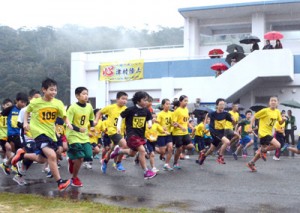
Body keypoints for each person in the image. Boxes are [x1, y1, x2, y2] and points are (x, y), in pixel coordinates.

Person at [11, 78, 73, 191]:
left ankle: (21, 155)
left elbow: (63, 116)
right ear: (44, 90)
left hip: (51, 133)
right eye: (51, 90)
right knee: (52, 156)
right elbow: (27, 111)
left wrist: (68, 124)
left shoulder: (58, 103)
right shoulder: (35, 102)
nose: (53, 92)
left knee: (42, 159)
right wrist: (25, 123)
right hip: (38, 132)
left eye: (55, 90)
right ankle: (60, 182)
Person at [110, 91, 156, 179]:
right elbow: (121, 116)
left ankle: (118, 151)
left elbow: (149, 118)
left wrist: (149, 124)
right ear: (138, 101)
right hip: (132, 135)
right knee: (142, 151)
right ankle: (146, 171)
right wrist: (118, 127)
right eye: (144, 100)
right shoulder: (131, 109)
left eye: (147, 100)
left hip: (141, 135)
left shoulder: (146, 110)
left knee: (132, 153)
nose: (146, 102)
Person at [246, 96, 286, 172]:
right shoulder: (265, 110)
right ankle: (262, 150)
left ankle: (251, 163)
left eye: (275, 101)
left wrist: (283, 120)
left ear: (277, 103)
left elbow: (280, 122)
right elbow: (254, 116)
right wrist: (250, 127)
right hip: (263, 133)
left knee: (261, 153)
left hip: (269, 133)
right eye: (272, 101)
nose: (273, 102)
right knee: (278, 145)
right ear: (269, 102)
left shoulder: (277, 112)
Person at [66, 87, 94, 187]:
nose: (86, 96)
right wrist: (78, 129)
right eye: (83, 94)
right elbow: (68, 122)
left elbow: (91, 118)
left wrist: (92, 127)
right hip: (73, 135)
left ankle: (72, 160)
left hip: (84, 136)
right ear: (77, 96)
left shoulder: (89, 106)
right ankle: (74, 178)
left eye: (87, 93)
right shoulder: (72, 107)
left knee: (88, 156)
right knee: (80, 157)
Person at [94, 91, 128, 174]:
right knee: (124, 145)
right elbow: (100, 112)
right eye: (123, 99)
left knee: (112, 149)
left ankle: (105, 162)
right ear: (117, 99)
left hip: (121, 132)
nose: (124, 101)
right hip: (112, 131)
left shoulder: (126, 109)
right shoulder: (111, 107)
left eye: (126, 99)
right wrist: (96, 120)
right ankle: (118, 163)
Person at [198, 98, 235, 165]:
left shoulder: (226, 114)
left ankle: (204, 156)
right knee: (227, 142)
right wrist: (204, 126)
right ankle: (220, 157)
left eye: (223, 104)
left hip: (221, 132)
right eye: (220, 104)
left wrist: (234, 120)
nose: (222, 106)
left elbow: (234, 123)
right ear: (217, 106)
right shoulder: (212, 114)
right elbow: (207, 116)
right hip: (214, 131)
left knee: (211, 149)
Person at [0, 92, 28, 176]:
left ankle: (7, 164)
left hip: (20, 134)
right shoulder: (11, 109)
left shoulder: (24, 111)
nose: (23, 104)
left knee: (20, 153)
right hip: (12, 134)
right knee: (22, 151)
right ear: (16, 101)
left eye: (25, 103)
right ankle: (14, 165)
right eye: (21, 102)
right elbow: (1, 115)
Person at [172, 95, 195, 169]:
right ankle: (175, 163)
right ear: (180, 101)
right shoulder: (177, 111)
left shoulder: (186, 110)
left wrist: (190, 126)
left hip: (185, 132)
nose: (186, 102)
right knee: (179, 148)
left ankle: (179, 149)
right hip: (178, 132)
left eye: (187, 101)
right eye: (185, 101)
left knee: (191, 146)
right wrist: (181, 127)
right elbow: (174, 122)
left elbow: (186, 120)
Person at [156, 99, 173, 171]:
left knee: (170, 148)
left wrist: (173, 126)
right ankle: (150, 147)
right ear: (163, 105)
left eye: (169, 104)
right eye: (167, 104)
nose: (168, 105)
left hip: (168, 134)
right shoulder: (160, 114)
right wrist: (162, 128)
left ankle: (166, 164)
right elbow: (157, 124)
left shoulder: (171, 113)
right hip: (161, 134)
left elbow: (172, 123)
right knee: (162, 151)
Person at [0, 99, 13, 173]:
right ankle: (9, 164)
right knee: (8, 148)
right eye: (7, 105)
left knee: (7, 150)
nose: (9, 107)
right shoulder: (1, 115)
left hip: (10, 135)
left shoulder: (11, 115)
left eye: (10, 106)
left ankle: (6, 162)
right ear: (3, 105)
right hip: (2, 136)